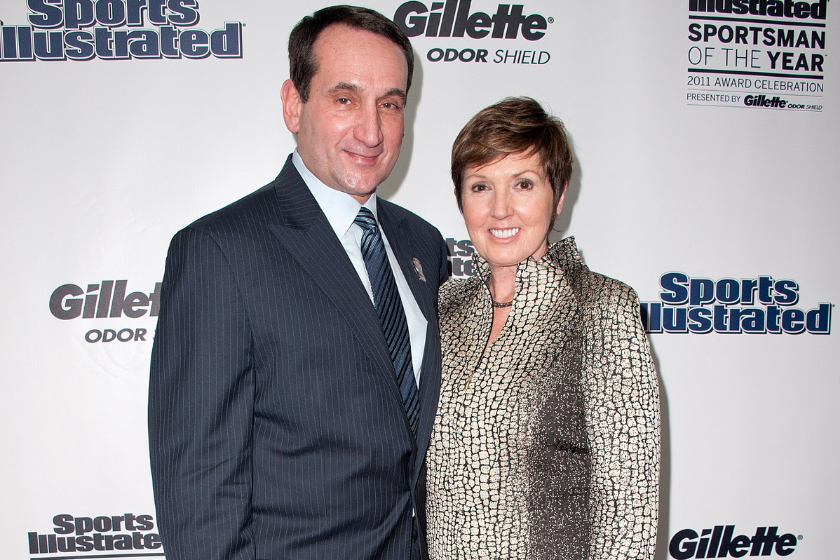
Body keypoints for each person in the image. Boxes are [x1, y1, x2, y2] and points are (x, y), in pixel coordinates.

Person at [147, 6, 448, 560]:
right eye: (344, 98)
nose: (372, 129)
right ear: (293, 104)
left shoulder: (421, 245)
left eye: (390, 103)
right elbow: (200, 495)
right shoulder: (220, 251)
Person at [425, 97, 660, 559]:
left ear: (559, 192)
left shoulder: (601, 308)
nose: (500, 210)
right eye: (480, 187)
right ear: (460, 200)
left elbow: (630, 511)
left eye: (523, 184)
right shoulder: (446, 307)